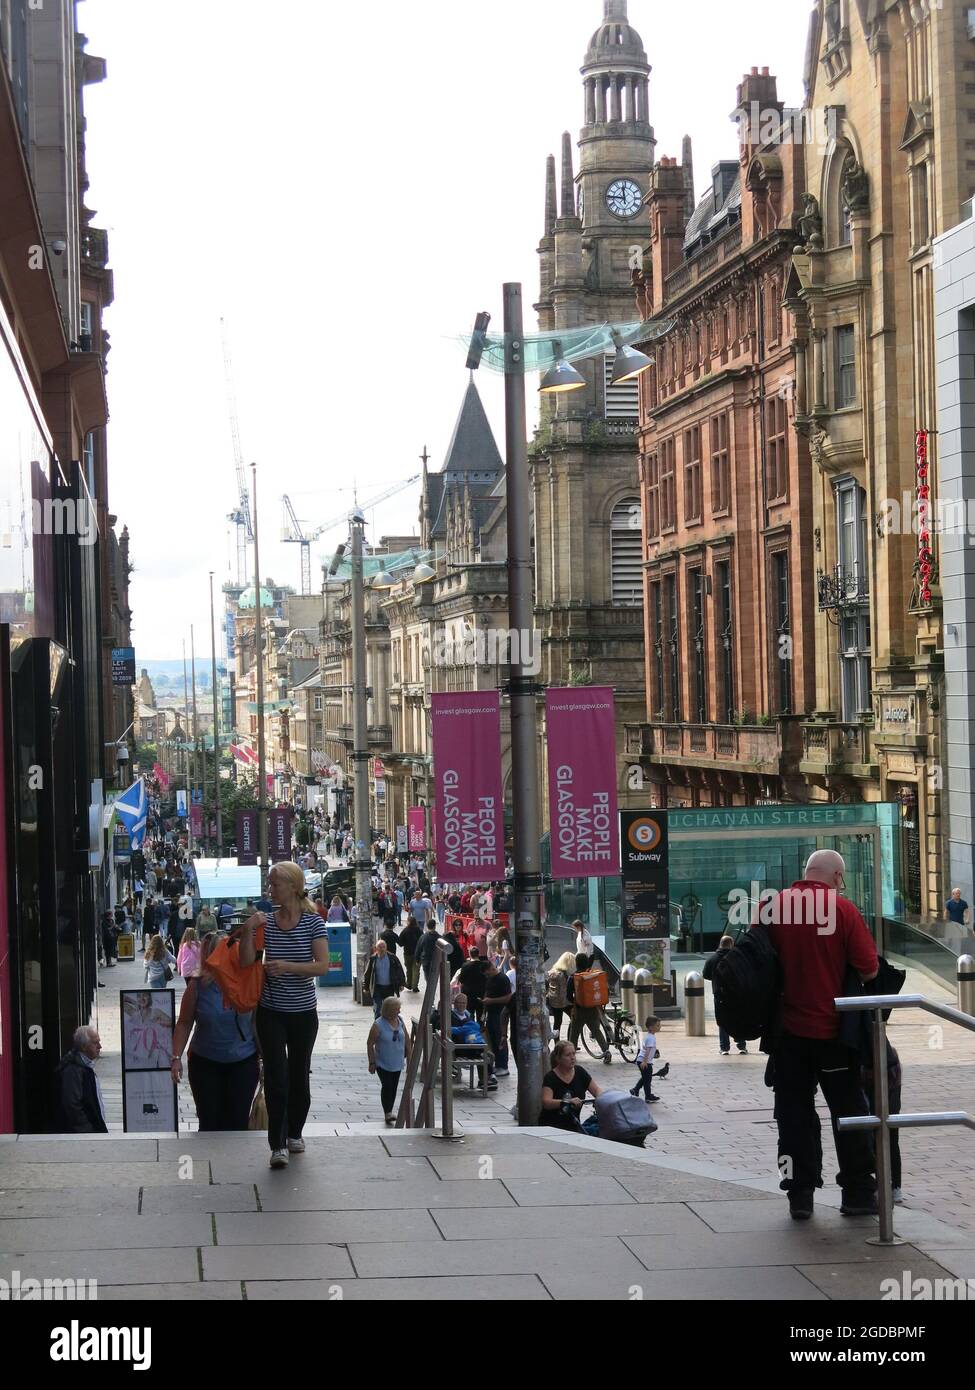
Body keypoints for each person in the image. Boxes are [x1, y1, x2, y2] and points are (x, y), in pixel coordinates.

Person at [762, 849, 879, 1221]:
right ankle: (858, 1193)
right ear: (838, 876)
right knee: (849, 1113)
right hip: (834, 1033)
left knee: (792, 1116)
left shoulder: (774, 906)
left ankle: (799, 1194)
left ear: (805, 873)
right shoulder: (842, 909)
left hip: (787, 1036)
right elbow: (870, 968)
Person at [238, 860, 330, 1169]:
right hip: (271, 1011)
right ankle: (276, 1144)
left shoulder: (313, 922)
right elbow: (246, 962)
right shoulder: (266, 922)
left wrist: (287, 966)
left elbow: (322, 966)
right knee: (277, 1076)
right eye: (269, 884)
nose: (270, 889)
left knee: (299, 1074)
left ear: (292, 886)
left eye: (275, 884)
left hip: (303, 1013)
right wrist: (249, 930)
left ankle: (295, 1133)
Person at [171, 932, 260, 1130]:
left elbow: (256, 1023)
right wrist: (176, 1057)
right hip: (205, 1062)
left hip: (243, 1061)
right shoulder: (197, 986)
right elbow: (184, 1022)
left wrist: (266, 1059)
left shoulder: (245, 983)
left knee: (238, 1122)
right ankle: (210, 1161)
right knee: (210, 1121)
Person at [367, 995, 413, 1125]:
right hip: (382, 1062)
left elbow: (407, 1041)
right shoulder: (378, 1024)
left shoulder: (400, 1021)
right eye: (397, 1009)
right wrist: (371, 1062)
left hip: (397, 1061)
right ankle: (387, 1112)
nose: (399, 1011)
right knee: (387, 1085)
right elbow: (370, 1043)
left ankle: (390, 1110)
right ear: (389, 1009)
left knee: (393, 1087)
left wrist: (410, 1059)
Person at [539, 1041, 604, 1131]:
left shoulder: (580, 1072)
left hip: (573, 1125)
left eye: (573, 1054)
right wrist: (567, 1102)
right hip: (551, 1126)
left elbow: (596, 1090)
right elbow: (546, 1102)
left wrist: (601, 1099)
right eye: (568, 1055)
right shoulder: (550, 1077)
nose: (572, 1058)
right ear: (558, 1058)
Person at [55, 1026, 107, 1133]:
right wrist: (87, 1130)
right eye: (95, 1043)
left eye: (99, 1042)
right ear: (84, 1047)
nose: (100, 1046)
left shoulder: (85, 1066)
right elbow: (72, 1105)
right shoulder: (73, 1070)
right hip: (85, 1133)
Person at [702, 935, 748, 1055]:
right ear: (731, 944)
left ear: (720, 944)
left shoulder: (712, 959)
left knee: (722, 1020)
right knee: (739, 1019)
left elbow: (706, 975)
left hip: (719, 994)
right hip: (737, 994)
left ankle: (724, 1048)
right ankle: (741, 1045)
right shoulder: (738, 958)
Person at [567, 953, 612, 1062]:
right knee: (596, 1031)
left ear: (576, 963)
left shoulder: (573, 977)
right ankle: (606, 1052)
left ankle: (569, 1056)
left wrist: (575, 1003)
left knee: (574, 1033)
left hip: (579, 1010)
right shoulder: (593, 975)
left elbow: (568, 996)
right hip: (593, 1008)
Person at [482, 958, 513, 1077]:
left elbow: (508, 997)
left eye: (487, 973)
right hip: (491, 1013)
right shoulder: (490, 978)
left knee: (500, 1038)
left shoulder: (503, 979)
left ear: (491, 968)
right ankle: (498, 1063)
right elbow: (487, 992)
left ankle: (503, 1065)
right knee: (493, 1039)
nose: (486, 975)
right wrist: (484, 1010)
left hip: (499, 1013)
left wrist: (491, 1001)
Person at [364, 939, 406, 1018]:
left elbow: (399, 970)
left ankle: (388, 1025)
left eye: (384, 947)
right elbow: (368, 974)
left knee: (389, 1008)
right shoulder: (373, 959)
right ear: (376, 949)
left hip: (389, 987)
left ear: (386, 948)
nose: (382, 949)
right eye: (380, 947)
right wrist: (366, 987)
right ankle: (378, 1026)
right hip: (377, 987)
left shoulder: (392, 958)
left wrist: (401, 983)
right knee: (378, 1008)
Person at [630, 1016, 662, 1101]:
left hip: (642, 1060)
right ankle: (648, 1096)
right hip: (645, 1061)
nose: (660, 1027)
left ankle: (635, 1090)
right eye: (658, 1025)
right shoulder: (651, 1037)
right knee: (647, 1080)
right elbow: (647, 1050)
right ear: (651, 1027)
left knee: (645, 1078)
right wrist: (645, 1061)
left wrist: (653, 1055)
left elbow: (648, 1049)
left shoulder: (649, 1036)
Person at [546, 951, 575, 1039]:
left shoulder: (552, 971)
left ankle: (555, 1043)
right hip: (561, 1002)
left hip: (553, 1000)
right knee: (574, 1018)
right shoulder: (563, 975)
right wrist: (572, 1004)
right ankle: (570, 1040)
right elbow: (564, 994)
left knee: (557, 1023)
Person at [459, 947, 489, 1022]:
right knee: (480, 1015)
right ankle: (480, 1030)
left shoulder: (465, 966)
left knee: (469, 1015)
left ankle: (471, 1031)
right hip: (481, 994)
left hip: (468, 994)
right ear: (478, 954)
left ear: (470, 954)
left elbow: (461, 980)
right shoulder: (484, 965)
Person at [399, 914, 422, 993]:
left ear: (408, 922)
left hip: (407, 953)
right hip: (417, 953)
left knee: (408, 969)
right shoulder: (419, 930)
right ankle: (415, 986)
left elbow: (400, 943)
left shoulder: (405, 931)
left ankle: (409, 984)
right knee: (416, 970)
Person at [415, 918, 443, 983]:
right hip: (436, 960)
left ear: (427, 926)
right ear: (435, 926)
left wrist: (417, 960)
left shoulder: (423, 937)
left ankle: (429, 988)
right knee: (434, 976)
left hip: (426, 960)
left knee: (427, 976)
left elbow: (418, 949)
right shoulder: (439, 937)